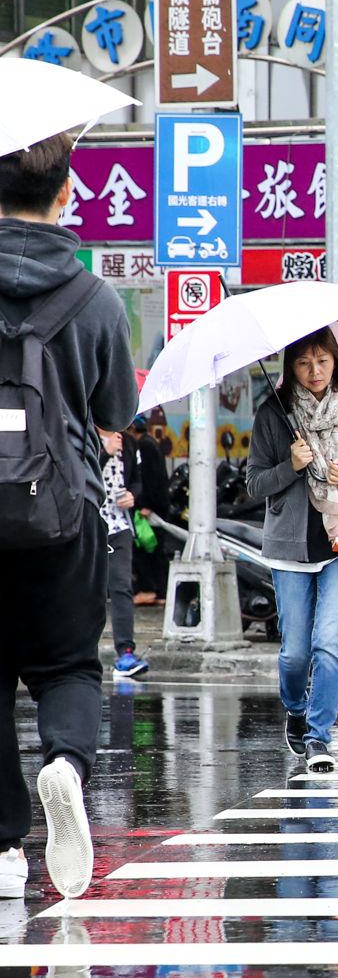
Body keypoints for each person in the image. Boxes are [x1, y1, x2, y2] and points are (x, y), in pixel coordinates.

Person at [0, 130, 139, 900]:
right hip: (65, 508)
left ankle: (2, 853)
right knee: (68, 666)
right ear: (65, 196)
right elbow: (116, 410)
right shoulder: (96, 299)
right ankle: (65, 762)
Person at [247, 329, 338, 772]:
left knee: (329, 643)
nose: (314, 371)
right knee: (294, 653)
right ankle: (295, 706)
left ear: (336, 363)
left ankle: (318, 738)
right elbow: (254, 483)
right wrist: (291, 466)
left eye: (323, 361)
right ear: (291, 367)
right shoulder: (273, 414)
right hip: (289, 548)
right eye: (304, 363)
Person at [98, 428, 149, 679]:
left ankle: (125, 652)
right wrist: (104, 453)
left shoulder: (128, 442)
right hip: (88, 524)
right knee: (86, 591)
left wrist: (132, 496)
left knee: (121, 587)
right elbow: (74, 475)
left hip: (119, 526)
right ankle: (79, 653)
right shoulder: (81, 433)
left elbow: (137, 479)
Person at [126, 415, 170, 606]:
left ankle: (152, 589)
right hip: (153, 507)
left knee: (149, 548)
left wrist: (147, 505)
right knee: (153, 548)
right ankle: (157, 590)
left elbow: (152, 479)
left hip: (151, 509)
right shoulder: (148, 443)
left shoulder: (145, 446)